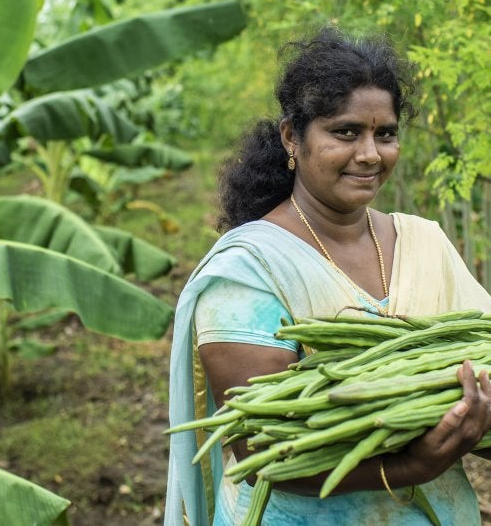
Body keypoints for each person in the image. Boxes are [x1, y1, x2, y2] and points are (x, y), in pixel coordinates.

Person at [165, 27, 491, 526]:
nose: (369, 154)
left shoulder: (424, 242)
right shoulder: (249, 270)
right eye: (345, 132)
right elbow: (263, 447)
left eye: (385, 134)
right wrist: (403, 467)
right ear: (292, 137)